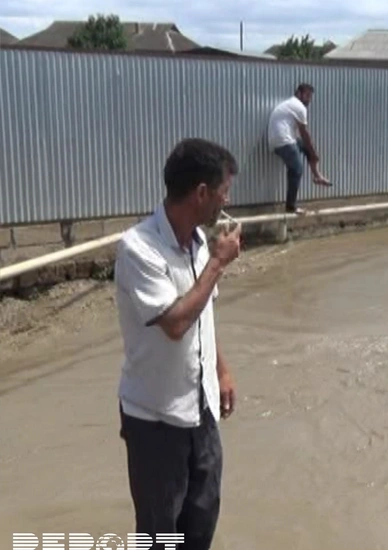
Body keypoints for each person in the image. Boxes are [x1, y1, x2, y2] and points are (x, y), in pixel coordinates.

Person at [113, 137, 243, 549]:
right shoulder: (138, 249)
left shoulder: (200, 243)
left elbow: (203, 315)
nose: (226, 201)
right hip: (156, 418)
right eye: (223, 191)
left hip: (200, 409)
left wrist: (221, 371)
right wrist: (219, 264)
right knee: (158, 533)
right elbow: (175, 321)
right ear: (201, 193)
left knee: (201, 520)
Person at [267, 83, 331, 214]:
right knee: (297, 168)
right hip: (282, 140)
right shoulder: (299, 106)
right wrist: (314, 153)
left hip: (280, 139)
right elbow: (304, 133)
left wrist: (311, 152)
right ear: (298, 93)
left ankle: (317, 176)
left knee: (305, 147)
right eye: (307, 95)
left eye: (310, 97)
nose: (309, 100)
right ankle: (291, 206)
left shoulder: (290, 105)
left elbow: (301, 137)